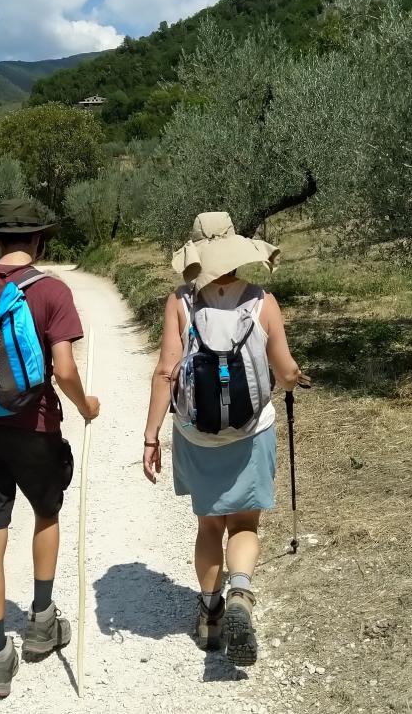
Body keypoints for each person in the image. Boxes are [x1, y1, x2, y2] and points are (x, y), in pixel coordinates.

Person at [142, 212, 310, 666]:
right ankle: (240, 592)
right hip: (251, 431)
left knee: (209, 525)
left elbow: (165, 370)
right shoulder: (262, 301)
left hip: (196, 436)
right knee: (244, 525)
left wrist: (151, 436)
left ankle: (211, 612)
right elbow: (285, 371)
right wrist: (296, 380)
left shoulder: (180, 302)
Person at [0, 199, 100, 699]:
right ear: (38, 241)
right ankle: (40, 625)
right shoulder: (52, 291)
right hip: (36, 427)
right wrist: (87, 407)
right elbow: (63, 369)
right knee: (47, 515)